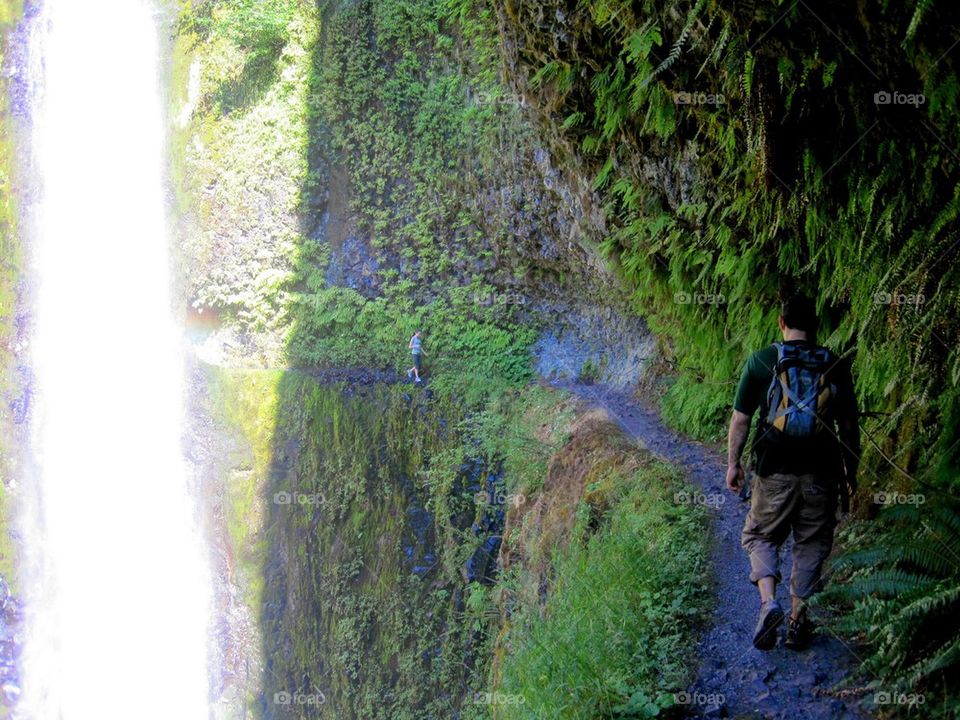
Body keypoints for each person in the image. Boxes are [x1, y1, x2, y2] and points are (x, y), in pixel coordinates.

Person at [725, 294, 860, 651]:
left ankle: (769, 603)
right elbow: (848, 425)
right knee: (812, 543)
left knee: (760, 536)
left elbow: (741, 420)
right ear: (815, 327)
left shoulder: (762, 361)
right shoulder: (835, 364)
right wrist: (852, 471)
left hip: (774, 470)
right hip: (821, 472)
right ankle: (798, 624)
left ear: (781, 323)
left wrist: (733, 463)